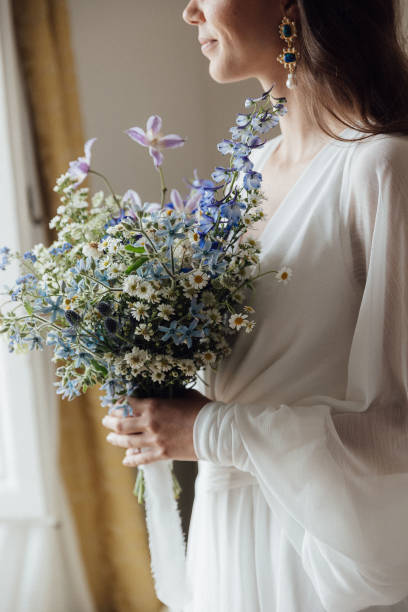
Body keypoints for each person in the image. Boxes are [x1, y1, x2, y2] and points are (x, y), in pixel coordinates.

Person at [102, 0, 408, 610]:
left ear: (292, 6)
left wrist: (207, 428)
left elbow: (399, 424)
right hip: (229, 527)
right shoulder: (247, 175)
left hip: (316, 549)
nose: (189, 12)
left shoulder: (383, 170)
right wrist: (155, 392)